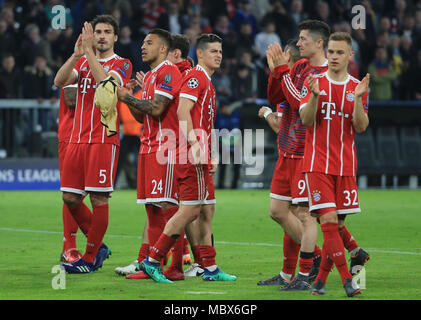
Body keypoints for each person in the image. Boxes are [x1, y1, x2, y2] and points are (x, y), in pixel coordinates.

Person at [140, 34, 236, 283]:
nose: (218, 55)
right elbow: (183, 111)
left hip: (199, 154)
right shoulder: (195, 77)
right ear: (200, 54)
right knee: (189, 210)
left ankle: (210, 268)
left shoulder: (207, 81)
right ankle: (152, 260)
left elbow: (204, 122)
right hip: (189, 154)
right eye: (213, 51)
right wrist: (195, 145)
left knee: (204, 210)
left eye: (221, 51)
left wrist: (210, 153)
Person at [54, 14, 133, 273]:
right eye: (97, 31)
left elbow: (107, 85)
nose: (101, 35)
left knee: (99, 199)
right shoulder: (84, 62)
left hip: (102, 139)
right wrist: (77, 55)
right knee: (70, 198)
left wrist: (87, 53)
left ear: (115, 37)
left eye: (107, 32)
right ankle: (98, 245)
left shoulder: (122, 63)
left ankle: (89, 259)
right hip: (77, 139)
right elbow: (59, 81)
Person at [258, 20, 330, 291]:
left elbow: (299, 104)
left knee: (304, 215)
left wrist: (282, 70)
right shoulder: (298, 67)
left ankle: (304, 269)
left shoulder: (323, 74)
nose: (298, 43)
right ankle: (314, 258)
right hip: (286, 150)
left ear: (318, 42)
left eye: (302, 39)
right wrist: (275, 72)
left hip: (305, 153)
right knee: (278, 211)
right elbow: (277, 93)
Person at [299, 32, 370, 297]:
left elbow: (361, 127)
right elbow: (306, 120)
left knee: (337, 228)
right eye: (330, 52)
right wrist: (315, 97)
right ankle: (347, 281)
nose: (333, 57)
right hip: (317, 164)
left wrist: (360, 99)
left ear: (350, 55)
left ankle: (319, 281)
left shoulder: (357, 86)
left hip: (346, 167)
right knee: (328, 221)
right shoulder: (314, 83)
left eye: (339, 52)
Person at [115, 28, 184, 281]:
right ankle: (150, 265)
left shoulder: (168, 71)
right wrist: (128, 98)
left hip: (164, 149)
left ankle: (175, 267)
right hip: (148, 146)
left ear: (163, 49)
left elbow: (155, 109)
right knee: (152, 209)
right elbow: (140, 116)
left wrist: (125, 96)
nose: (143, 46)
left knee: (169, 208)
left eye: (149, 43)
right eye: (143, 42)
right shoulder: (153, 76)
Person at [58, 84, 84, 264]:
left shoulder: (101, 67)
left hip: (92, 136)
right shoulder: (76, 65)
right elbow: (71, 99)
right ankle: (69, 247)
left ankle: (94, 244)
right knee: (72, 193)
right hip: (71, 136)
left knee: (96, 194)